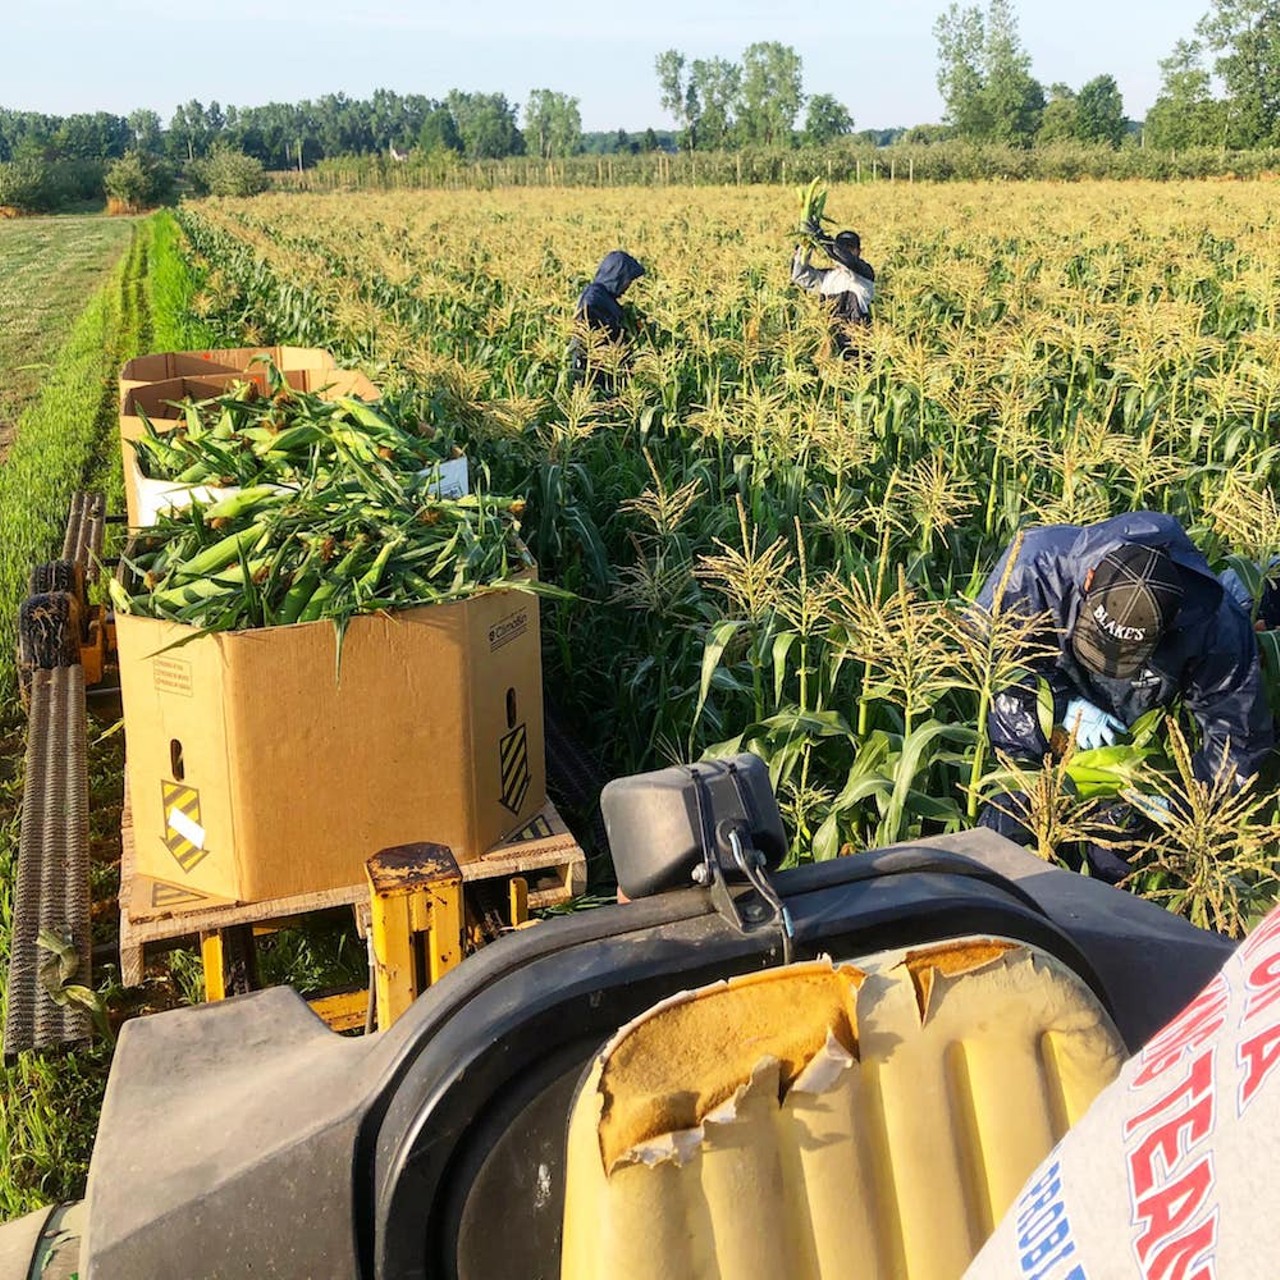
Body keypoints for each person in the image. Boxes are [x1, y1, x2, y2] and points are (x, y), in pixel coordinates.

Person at [974, 510, 1274, 881]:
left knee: (1115, 847)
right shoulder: (1036, 564)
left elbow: (1238, 738)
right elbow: (990, 653)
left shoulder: (1215, 625)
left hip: (1120, 747)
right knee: (1011, 821)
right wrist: (1060, 703)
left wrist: (1182, 804)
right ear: (1088, 580)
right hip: (1040, 704)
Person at [790, 226, 875, 360]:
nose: (845, 251)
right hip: (830, 340)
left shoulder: (864, 274)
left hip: (855, 341)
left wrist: (819, 236)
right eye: (842, 247)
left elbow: (847, 260)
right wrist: (804, 245)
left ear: (859, 251)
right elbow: (799, 275)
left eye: (850, 248)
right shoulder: (828, 277)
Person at [569, 250, 645, 391]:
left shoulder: (605, 297)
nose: (628, 286)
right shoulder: (594, 297)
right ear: (617, 276)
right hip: (594, 370)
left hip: (609, 365)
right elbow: (590, 328)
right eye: (628, 281)